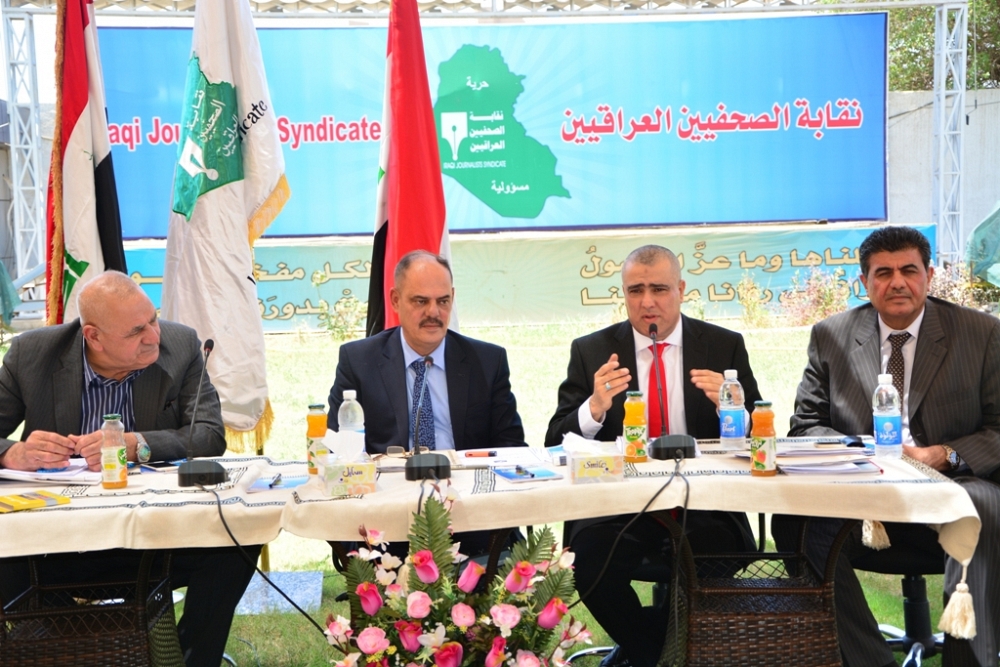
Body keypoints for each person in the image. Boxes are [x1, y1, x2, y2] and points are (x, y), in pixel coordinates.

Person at [0, 271, 260, 667]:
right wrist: (12, 453)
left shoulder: (180, 345)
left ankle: (189, 659)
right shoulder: (32, 354)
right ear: (93, 336)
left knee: (238, 538)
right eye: (136, 331)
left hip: (154, 538)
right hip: (57, 544)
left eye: (153, 319)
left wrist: (137, 444)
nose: (153, 336)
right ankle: (61, 649)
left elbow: (209, 434)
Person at [773, 226, 1000, 667]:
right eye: (883, 273)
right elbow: (805, 426)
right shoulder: (831, 335)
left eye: (909, 270)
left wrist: (943, 454)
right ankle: (870, 660)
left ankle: (968, 661)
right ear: (864, 282)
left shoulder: (981, 334)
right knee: (794, 523)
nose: (897, 282)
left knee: (979, 509)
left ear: (929, 276)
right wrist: (860, 454)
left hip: (954, 482)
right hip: (863, 492)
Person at [546, 244, 761, 667]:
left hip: (703, 506)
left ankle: (645, 652)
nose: (647, 302)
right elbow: (556, 440)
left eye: (659, 289)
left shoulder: (723, 346)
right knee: (589, 567)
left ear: (681, 289)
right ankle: (657, 654)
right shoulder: (592, 350)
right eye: (636, 290)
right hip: (617, 510)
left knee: (714, 559)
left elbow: (761, 436)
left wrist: (733, 409)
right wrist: (594, 408)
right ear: (623, 294)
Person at [328, 250, 526, 554]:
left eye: (443, 301)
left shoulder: (487, 362)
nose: (433, 312)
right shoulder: (359, 361)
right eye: (420, 301)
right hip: (387, 517)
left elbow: (511, 446)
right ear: (395, 300)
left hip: (470, 513)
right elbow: (337, 450)